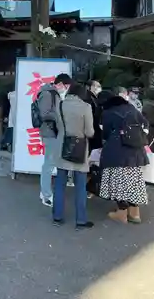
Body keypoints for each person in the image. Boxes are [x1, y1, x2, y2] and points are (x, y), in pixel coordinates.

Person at [99, 89, 149, 224]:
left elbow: (106, 133)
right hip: (135, 151)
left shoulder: (108, 113)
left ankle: (121, 213)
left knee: (118, 184)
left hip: (118, 153)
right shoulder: (131, 108)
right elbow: (145, 124)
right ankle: (135, 214)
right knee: (133, 183)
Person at [52, 83, 95, 229]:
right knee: (80, 186)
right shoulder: (86, 107)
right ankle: (80, 220)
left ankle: (57, 217)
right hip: (79, 150)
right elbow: (89, 132)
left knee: (59, 184)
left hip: (62, 147)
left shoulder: (61, 105)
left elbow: (58, 126)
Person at [37, 73, 72, 207]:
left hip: (55, 132)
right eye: (66, 86)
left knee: (51, 163)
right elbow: (44, 113)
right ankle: (46, 195)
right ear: (60, 84)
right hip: (50, 132)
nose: (67, 89)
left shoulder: (54, 94)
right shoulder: (47, 94)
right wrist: (59, 115)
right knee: (49, 164)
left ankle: (44, 192)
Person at [85, 80, 103, 151]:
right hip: (93, 130)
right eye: (96, 86)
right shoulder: (89, 99)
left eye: (99, 86)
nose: (98, 88)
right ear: (89, 87)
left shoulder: (95, 98)